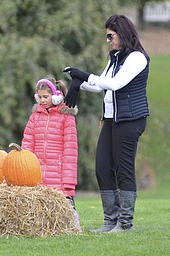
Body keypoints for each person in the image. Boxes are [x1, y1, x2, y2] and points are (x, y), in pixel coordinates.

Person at [63, 14, 149, 233]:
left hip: (130, 120)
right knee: (102, 167)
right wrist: (77, 83)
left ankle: (125, 223)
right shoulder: (116, 58)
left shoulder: (137, 58)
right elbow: (99, 86)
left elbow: (115, 84)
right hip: (111, 120)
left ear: (122, 33)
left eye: (111, 36)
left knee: (123, 170)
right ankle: (110, 221)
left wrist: (84, 75)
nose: (108, 41)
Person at [21, 75, 79, 208]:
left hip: (58, 172)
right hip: (38, 171)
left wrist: (68, 181)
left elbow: (70, 151)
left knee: (64, 209)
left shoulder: (66, 118)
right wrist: (26, 166)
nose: (42, 100)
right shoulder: (35, 117)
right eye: (39, 97)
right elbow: (28, 143)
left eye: (45, 97)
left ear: (56, 96)